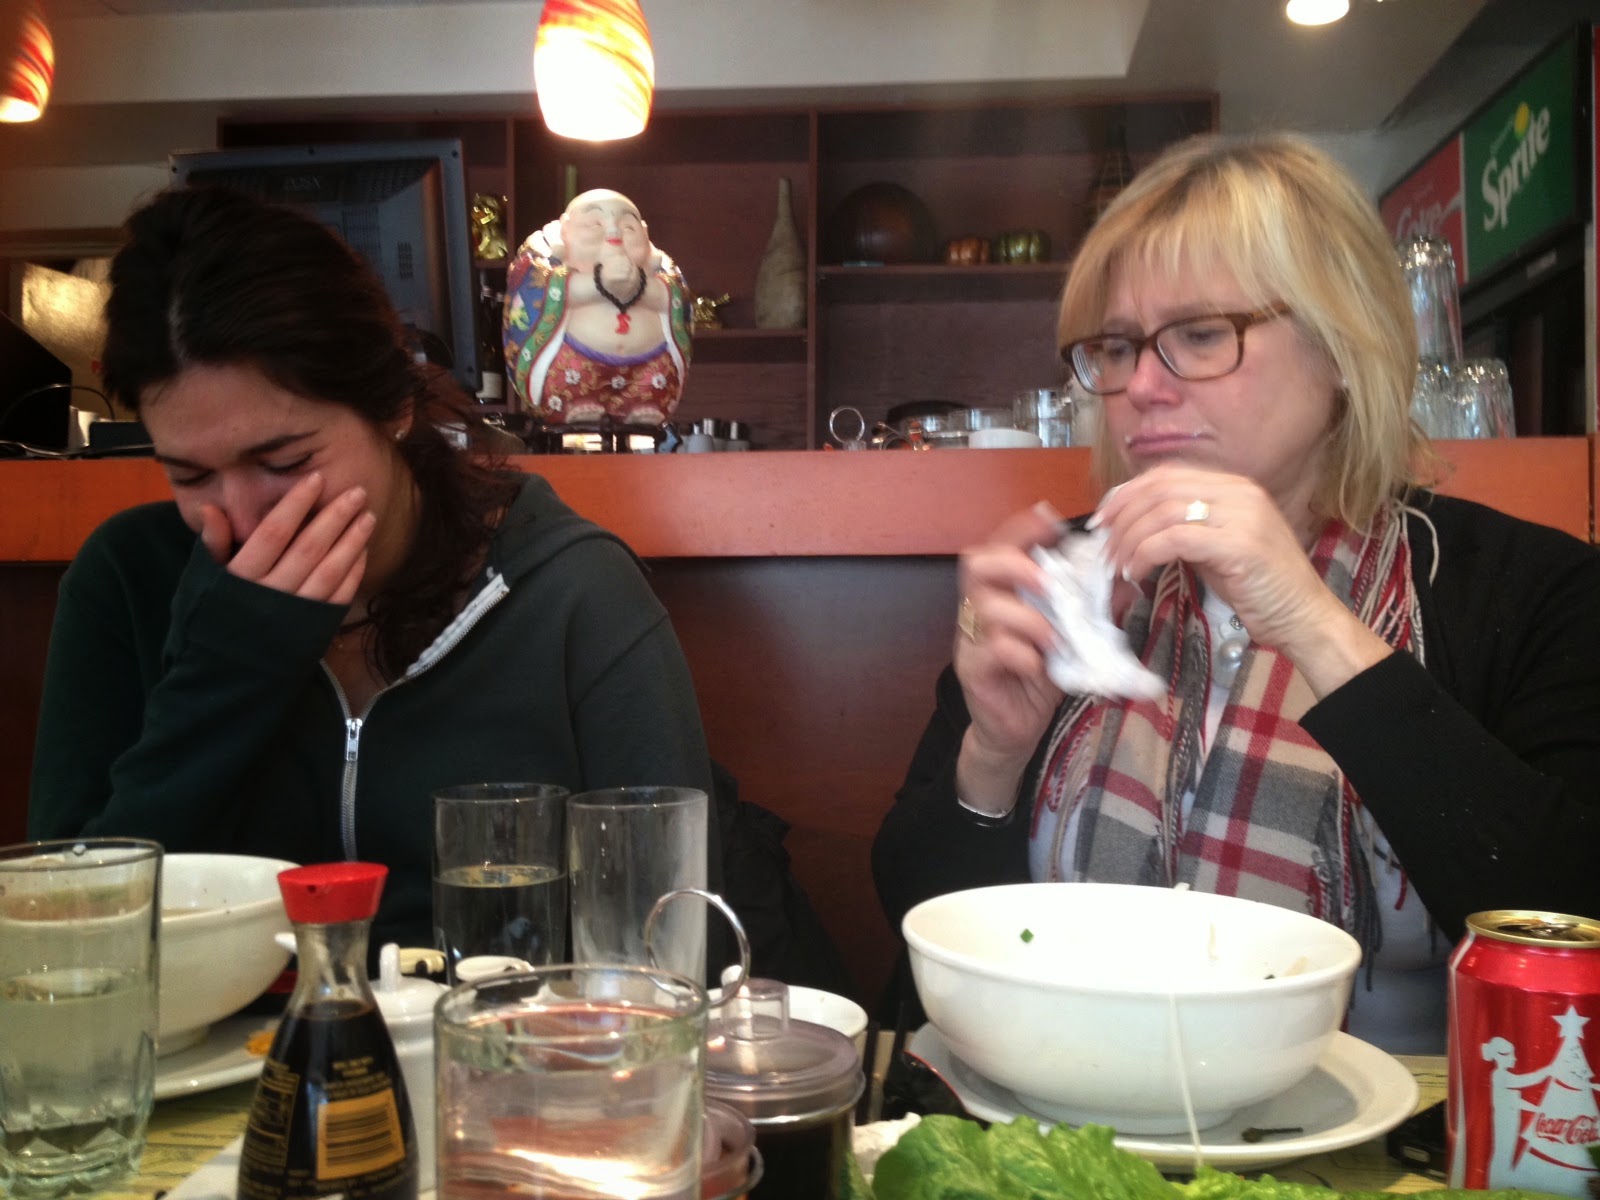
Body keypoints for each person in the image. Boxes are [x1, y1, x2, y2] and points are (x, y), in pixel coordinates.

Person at [872, 133, 1600, 1054]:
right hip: (1068, 1112)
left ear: (1343, 347)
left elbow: (1569, 916)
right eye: (1118, 346)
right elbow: (917, 916)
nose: (1141, 386)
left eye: (1202, 334)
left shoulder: (1523, 591)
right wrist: (993, 754)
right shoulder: (1072, 578)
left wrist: (1311, 622)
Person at [27, 185, 717, 959]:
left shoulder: (574, 592)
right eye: (190, 476)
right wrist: (224, 674)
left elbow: (673, 939)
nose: (243, 517)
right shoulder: (126, 582)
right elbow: (65, 943)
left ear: (392, 406)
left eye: (283, 461)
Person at [504, 188, 692, 427]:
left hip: (649, 364)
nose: (614, 232)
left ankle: (644, 403)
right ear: (565, 230)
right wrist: (598, 283)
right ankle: (573, 403)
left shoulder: (664, 272)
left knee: (654, 387)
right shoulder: (542, 260)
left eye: (629, 227)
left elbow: (677, 301)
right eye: (594, 224)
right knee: (568, 381)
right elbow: (535, 291)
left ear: (645, 234)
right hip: (576, 361)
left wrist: (640, 286)